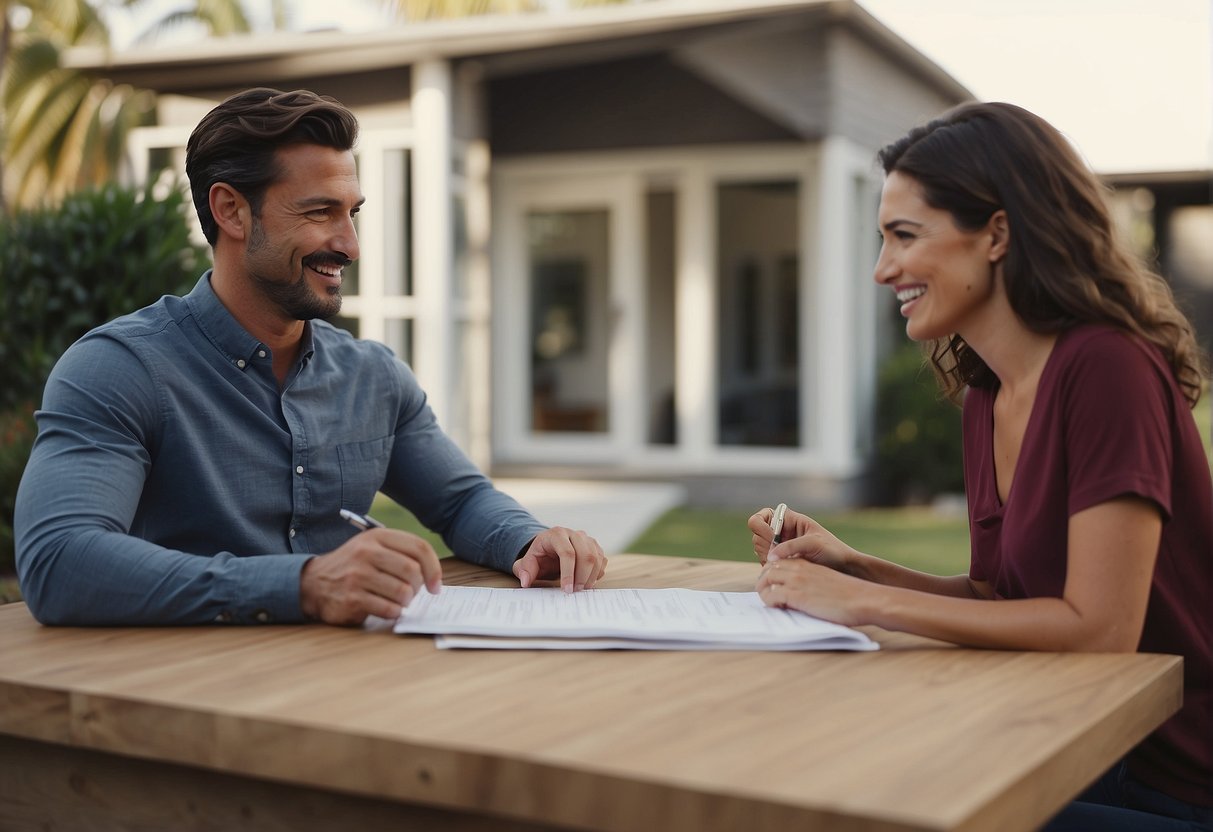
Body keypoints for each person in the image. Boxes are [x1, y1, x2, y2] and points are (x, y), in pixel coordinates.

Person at [748, 102, 1211, 830]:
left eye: (904, 236)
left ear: (996, 232)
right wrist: (856, 568)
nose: (881, 270)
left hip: (1170, 780)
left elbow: (1098, 630)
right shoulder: (985, 394)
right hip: (1070, 744)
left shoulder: (1106, 369)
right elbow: (1000, 598)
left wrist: (865, 605)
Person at [14, 87, 606, 628]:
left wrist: (529, 542)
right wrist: (305, 583)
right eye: (319, 211)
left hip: (345, 689)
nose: (348, 244)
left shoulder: (372, 376)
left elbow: (461, 501)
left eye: (353, 212)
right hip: (184, 702)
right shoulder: (119, 368)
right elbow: (59, 560)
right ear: (231, 212)